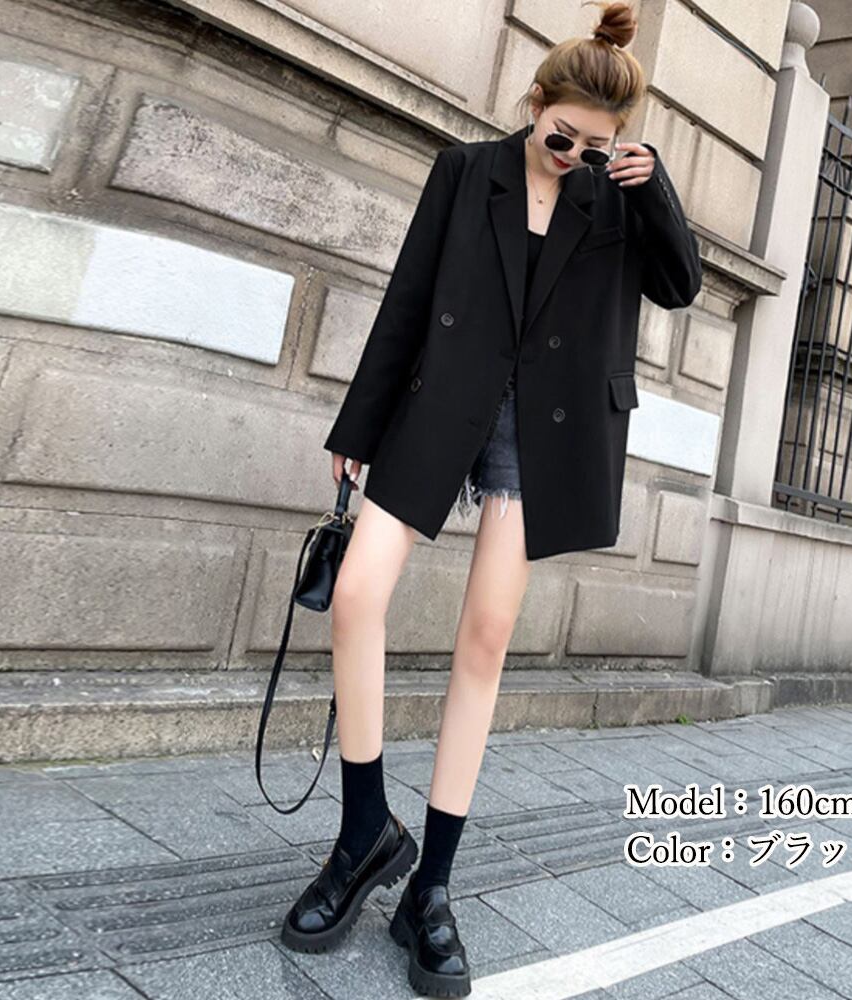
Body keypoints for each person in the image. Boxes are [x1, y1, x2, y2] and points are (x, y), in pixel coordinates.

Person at [279, 2, 702, 996]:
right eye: (563, 136)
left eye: (596, 145)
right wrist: (355, 430)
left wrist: (655, 190)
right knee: (355, 597)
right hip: (438, 408)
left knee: (485, 638)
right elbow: (407, 300)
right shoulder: (466, 171)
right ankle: (362, 831)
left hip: (541, 434)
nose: (575, 155)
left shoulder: (616, 199)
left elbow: (679, 286)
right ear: (534, 104)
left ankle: (430, 887)